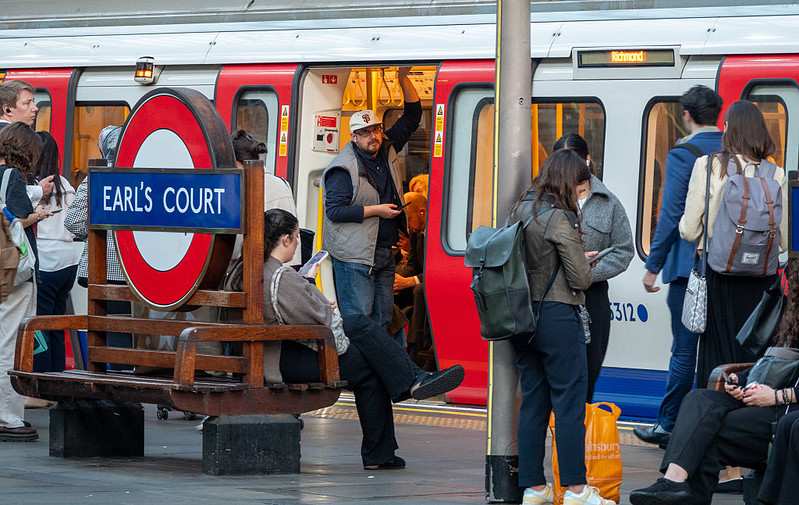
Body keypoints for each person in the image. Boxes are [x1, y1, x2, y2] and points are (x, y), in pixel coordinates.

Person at [262, 208, 464, 469]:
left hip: (274, 352)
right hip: (284, 359)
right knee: (373, 365)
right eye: (297, 236)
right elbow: (321, 319)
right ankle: (383, 445)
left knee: (358, 324)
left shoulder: (256, 269)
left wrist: (314, 298)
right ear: (286, 239)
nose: (298, 243)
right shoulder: (282, 276)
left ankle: (413, 382)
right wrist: (317, 295)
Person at [629, 261, 799, 505]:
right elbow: (774, 362)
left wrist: (776, 397)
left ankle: (675, 485)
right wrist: (740, 381)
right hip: (766, 397)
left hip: (786, 408)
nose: (786, 288)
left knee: (708, 435)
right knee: (698, 398)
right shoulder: (790, 318)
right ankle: (673, 479)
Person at [507, 150, 613, 505]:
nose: (581, 195)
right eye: (581, 188)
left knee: (533, 401)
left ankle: (534, 488)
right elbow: (580, 279)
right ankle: (577, 490)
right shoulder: (559, 218)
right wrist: (584, 260)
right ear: (569, 182)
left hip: (521, 318)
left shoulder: (519, 210)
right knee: (569, 403)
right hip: (557, 316)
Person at [636, 85, 724, 446]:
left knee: (685, 351)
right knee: (719, 353)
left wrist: (653, 265)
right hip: (727, 268)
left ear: (686, 115)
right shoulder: (733, 150)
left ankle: (670, 423)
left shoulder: (683, 154)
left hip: (690, 269)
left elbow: (671, 213)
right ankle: (714, 426)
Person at [679, 101, 787, 388]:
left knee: (716, 358)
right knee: (754, 358)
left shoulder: (708, 165)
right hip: (761, 283)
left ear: (728, 128)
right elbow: (784, 241)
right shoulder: (776, 174)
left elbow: (689, 230)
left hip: (718, 276)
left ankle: (715, 410)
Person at [322, 67, 422, 339]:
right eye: (365, 132)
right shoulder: (343, 168)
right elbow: (335, 211)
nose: (372, 136)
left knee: (383, 320)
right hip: (355, 257)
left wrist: (402, 78)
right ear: (354, 137)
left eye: (376, 129)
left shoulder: (387, 146)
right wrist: (377, 211)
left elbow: (412, 116)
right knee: (360, 322)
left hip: (384, 252)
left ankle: (380, 366)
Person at [552, 133, 633, 402]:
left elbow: (623, 250)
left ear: (587, 161)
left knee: (588, 373)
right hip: (553, 298)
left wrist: (586, 273)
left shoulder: (608, 202)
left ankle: (577, 425)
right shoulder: (545, 199)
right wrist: (565, 268)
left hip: (593, 297)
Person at [0, 123, 48, 442]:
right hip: (12, 269)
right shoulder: (12, 177)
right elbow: (17, 218)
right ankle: (8, 416)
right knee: (11, 342)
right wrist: (39, 214)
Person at [33, 131, 79, 373]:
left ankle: (41, 378)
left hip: (46, 261)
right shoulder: (66, 185)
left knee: (39, 326)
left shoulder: (35, 187)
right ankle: (57, 377)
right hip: (69, 261)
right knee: (57, 324)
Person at [0, 80, 53, 208]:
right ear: (7, 109)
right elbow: (8, 189)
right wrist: (39, 190)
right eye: (27, 103)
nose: (35, 108)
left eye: (33, 102)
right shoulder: (14, 139)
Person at [393, 192, 430, 365]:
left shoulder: (438, 232)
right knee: (390, 288)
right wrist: (397, 279)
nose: (407, 226)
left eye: (409, 219)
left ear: (422, 212)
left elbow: (436, 269)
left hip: (430, 284)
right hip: (420, 280)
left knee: (419, 290)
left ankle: (415, 349)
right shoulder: (415, 233)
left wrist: (409, 281)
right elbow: (414, 263)